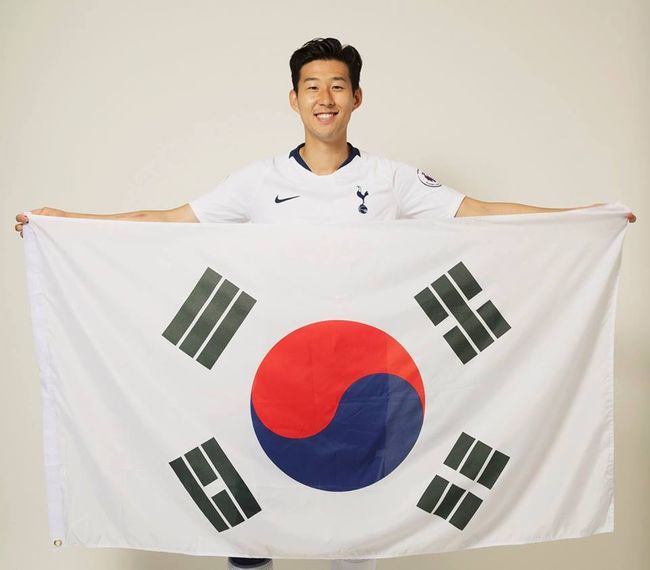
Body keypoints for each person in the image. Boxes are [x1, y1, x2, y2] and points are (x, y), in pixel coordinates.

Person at [14, 38, 636, 570]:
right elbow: (170, 221)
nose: (325, 98)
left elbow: (478, 212)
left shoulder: (390, 179)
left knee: (357, 519)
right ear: (294, 99)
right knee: (252, 530)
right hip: (272, 378)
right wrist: (67, 224)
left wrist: (582, 219)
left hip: (365, 381)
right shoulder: (259, 181)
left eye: (338, 86)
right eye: (312, 86)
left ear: (357, 97)